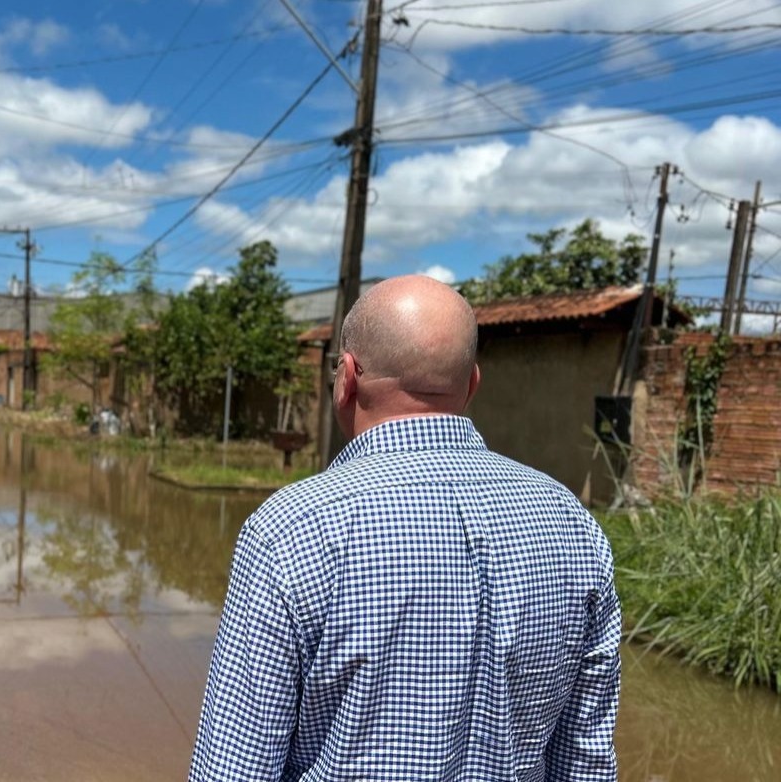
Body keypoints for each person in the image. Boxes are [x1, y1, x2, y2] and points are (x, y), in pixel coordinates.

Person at [189, 275, 620, 782]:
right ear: (472, 384)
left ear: (347, 378)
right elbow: (585, 762)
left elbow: (234, 769)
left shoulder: (292, 529)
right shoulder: (572, 523)